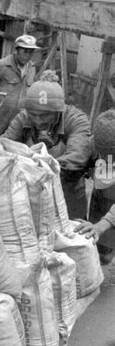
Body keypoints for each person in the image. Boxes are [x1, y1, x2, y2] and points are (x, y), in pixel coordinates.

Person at [1, 79, 93, 220]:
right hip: (29, 198)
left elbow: (76, 158)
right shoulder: (23, 118)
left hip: (68, 196)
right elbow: (3, 148)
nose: (38, 121)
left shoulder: (76, 120)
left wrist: (34, 171)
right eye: (33, 114)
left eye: (45, 115)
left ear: (58, 111)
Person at [0, 34, 40, 144]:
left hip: (17, 122)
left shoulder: (32, 68)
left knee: (9, 151)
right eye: (25, 51)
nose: (28, 55)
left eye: (31, 52)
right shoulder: (1, 66)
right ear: (16, 50)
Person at [73, 108, 115, 264]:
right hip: (102, 197)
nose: (106, 157)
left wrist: (101, 226)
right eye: (102, 153)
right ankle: (105, 249)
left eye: (111, 154)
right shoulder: (92, 143)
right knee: (102, 255)